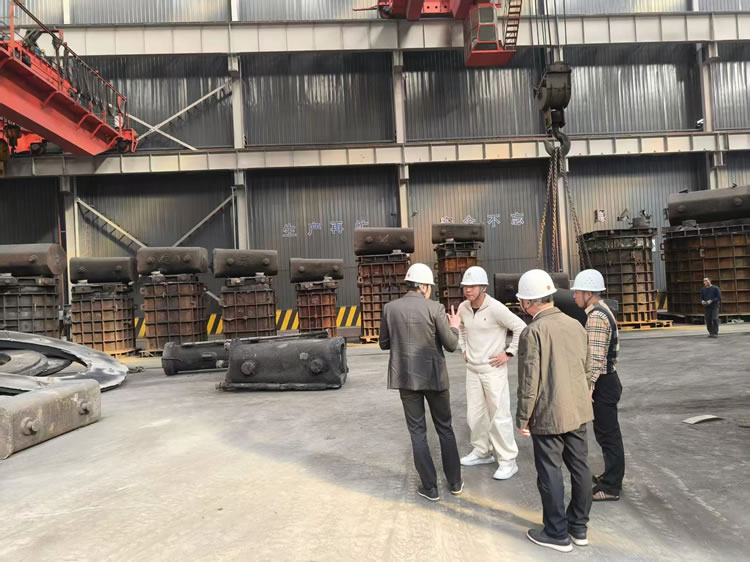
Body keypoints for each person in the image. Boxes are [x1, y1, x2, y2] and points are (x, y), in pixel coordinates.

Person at [515, 269, 593, 553]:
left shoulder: (533, 332)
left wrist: (523, 417)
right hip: (578, 410)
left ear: (527, 302)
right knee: (580, 467)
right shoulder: (576, 324)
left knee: (550, 472)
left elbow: (530, 381)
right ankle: (579, 527)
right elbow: (587, 368)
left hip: (549, 413)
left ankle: (556, 532)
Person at [379, 263, 463, 502]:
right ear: (424, 286)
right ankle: (455, 482)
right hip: (435, 378)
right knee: (445, 428)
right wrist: (454, 327)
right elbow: (451, 344)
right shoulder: (436, 308)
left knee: (418, 433)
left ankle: (430, 488)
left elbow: (383, 343)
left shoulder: (390, 309)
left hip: (406, 379)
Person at [457, 266, 527, 480]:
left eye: (472, 286)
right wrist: (463, 348)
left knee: (499, 416)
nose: (468, 290)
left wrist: (509, 352)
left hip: (493, 370)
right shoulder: (463, 308)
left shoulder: (496, 308)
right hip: (472, 370)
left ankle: (508, 461)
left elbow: (521, 327)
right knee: (475, 415)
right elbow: (461, 328)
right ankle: (482, 451)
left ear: (484, 288)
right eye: (465, 286)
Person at [572, 270, 624, 503]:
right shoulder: (603, 310)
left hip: (603, 383)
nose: (574, 296)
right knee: (607, 434)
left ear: (588, 293)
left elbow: (594, 358)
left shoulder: (595, 317)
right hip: (608, 380)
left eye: (577, 292)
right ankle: (611, 474)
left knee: (608, 435)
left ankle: (611, 486)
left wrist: (589, 386)